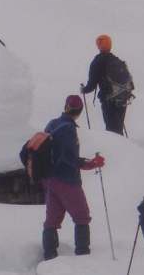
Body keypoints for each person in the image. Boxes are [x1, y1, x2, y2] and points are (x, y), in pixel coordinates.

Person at [41, 94, 105, 260]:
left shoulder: (52, 124)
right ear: (80, 111)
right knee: (82, 216)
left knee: (52, 220)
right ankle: (83, 256)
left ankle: (49, 257)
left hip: (49, 179)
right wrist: (91, 163)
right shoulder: (68, 129)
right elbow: (69, 158)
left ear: (65, 107)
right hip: (67, 180)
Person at [81, 34, 133, 135]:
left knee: (112, 131)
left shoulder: (97, 61)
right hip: (122, 97)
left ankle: (115, 149)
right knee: (118, 128)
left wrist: (84, 89)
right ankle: (124, 147)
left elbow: (91, 85)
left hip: (109, 99)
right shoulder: (116, 59)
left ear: (99, 45)